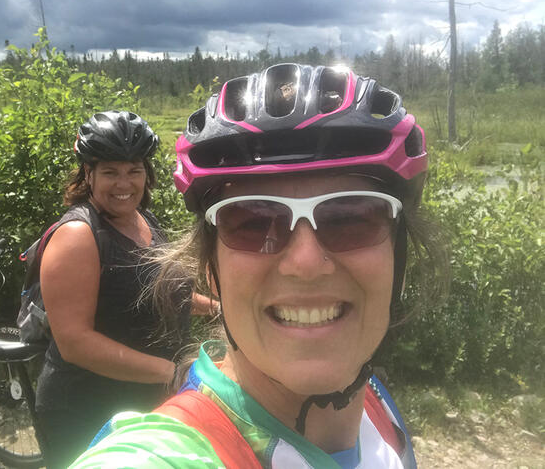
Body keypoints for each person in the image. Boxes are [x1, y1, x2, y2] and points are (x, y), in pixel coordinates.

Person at [68, 65, 449, 468]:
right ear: (210, 267)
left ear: (399, 258)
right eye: (251, 223)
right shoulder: (158, 457)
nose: (305, 264)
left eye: (351, 219)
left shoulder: (375, 404)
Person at [34, 110, 216, 468]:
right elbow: (75, 343)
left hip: (144, 398)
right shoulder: (78, 236)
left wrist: (214, 307)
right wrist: (173, 372)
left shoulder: (143, 220)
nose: (124, 184)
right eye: (110, 172)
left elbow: (156, 294)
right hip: (86, 409)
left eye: (134, 171)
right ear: (88, 174)